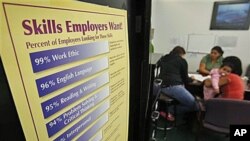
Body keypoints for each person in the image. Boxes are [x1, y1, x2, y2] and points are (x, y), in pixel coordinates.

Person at [158, 46, 199, 121]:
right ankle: (168, 111)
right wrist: (192, 79)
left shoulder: (163, 58)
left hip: (159, 86)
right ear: (182, 54)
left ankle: (166, 109)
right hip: (173, 86)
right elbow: (185, 79)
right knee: (195, 105)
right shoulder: (182, 60)